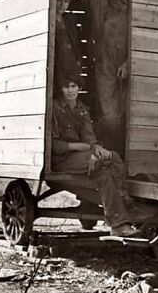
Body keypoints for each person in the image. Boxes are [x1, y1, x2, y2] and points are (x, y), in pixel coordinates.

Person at [51, 72, 144, 237]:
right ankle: (119, 221)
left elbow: (89, 137)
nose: (70, 91)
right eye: (66, 87)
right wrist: (83, 148)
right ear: (61, 88)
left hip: (82, 155)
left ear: (79, 88)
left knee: (113, 158)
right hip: (63, 159)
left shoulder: (81, 110)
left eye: (74, 86)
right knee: (103, 168)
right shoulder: (55, 109)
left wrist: (96, 149)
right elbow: (55, 145)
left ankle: (124, 202)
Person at [64, 0, 134, 157]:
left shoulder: (135, 7)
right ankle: (114, 155)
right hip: (105, 64)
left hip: (130, 63)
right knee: (110, 114)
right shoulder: (101, 1)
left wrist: (129, 61)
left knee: (131, 112)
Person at [54, 0, 82, 83]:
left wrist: (78, 59)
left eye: (66, 1)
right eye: (59, 0)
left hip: (70, 60)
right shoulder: (49, 19)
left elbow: (75, 41)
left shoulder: (69, 19)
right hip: (57, 60)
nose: (62, 4)